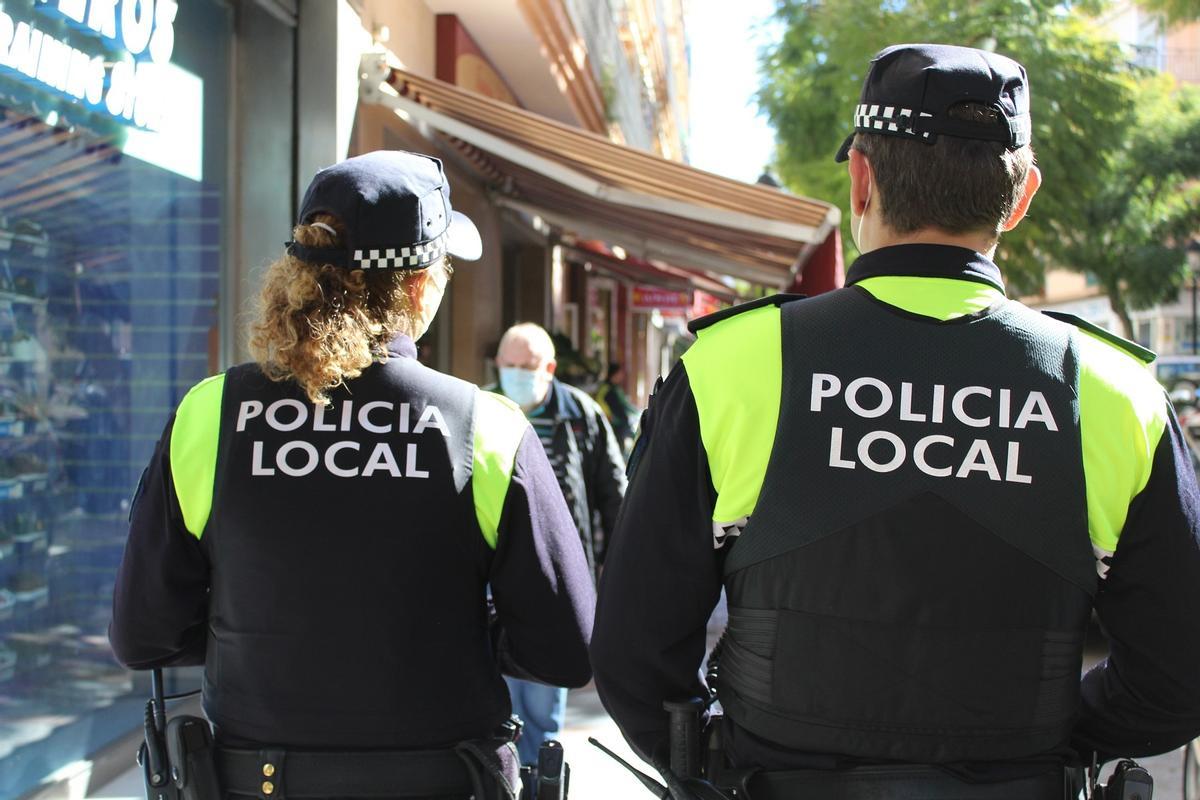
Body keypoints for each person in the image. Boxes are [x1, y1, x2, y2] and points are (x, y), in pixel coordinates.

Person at [591, 43, 1200, 799]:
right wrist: (1046, 743)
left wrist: (726, 756)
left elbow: (632, 651)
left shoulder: (733, 366)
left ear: (861, 178)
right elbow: (1179, 675)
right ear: (1021, 196)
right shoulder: (1117, 393)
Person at [109, 151, 595, 800]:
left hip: (256, 782)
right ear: (420, 284)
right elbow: (567, 649)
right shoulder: (487, 428)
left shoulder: (211, 415)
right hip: (449, 778)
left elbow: (142, 635)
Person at [491, 322, 626, 768]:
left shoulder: (582, 415)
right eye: (508, 365)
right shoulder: (481, 409)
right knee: (498, 705)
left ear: (548, 367)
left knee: (544, 710)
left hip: (557, 578)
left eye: (526, 366)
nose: (516, 373)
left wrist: (617, 576)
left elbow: (614, 494)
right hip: (492, 581)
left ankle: (538, 782)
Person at [594, 362, 639, 456]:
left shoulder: (610, 388)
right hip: (614, 424)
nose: (622, 376)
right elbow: (622, 407)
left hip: (615, 424)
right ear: (614, 374)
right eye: (620, 373)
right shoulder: (609, 390)